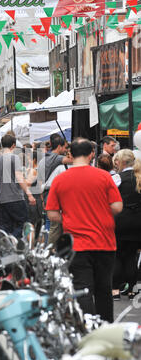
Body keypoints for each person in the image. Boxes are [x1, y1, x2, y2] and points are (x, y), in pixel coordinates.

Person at [46, 138, 123, 323]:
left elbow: (51, 213)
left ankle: (88, 327)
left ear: (70, 154)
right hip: (104, 242)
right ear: (91, 155)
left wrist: (70, 217)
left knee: (82, 288)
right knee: (104, 289)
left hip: (76, 244)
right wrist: (101, 211)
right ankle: (105, 327)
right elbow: (118, 206)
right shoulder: (104, 176)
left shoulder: (60, 179)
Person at [0, 134, 36, 238]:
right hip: (15, 197)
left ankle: (6, 246)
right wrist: (29, 194)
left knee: (5, 227)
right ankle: (12, 240)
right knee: (24, 224)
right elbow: (19, 176)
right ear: (13, 145)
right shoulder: (14, 157)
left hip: (2, 199)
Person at [112, 149, 141, 301]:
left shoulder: (117, 178)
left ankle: (115, 290)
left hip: (120, 220)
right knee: (131, 256)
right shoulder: (139, 178)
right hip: (137, 222)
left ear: (122, 161)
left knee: (117, 255)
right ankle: (131, 290)